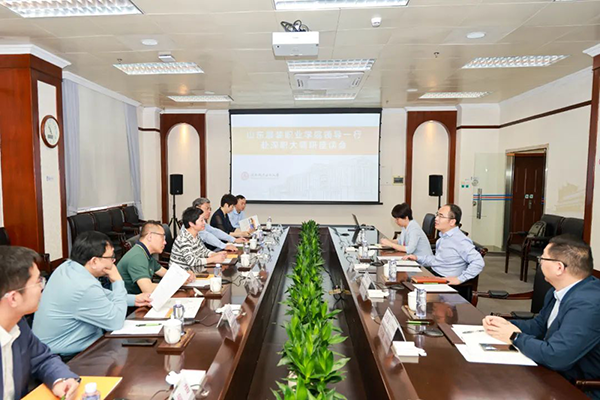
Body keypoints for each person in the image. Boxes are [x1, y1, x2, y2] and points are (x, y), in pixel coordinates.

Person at [483, 235, 600, 399]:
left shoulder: (588, 304)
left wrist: (514, 336)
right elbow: (540, 326)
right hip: (552, 373)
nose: (540, 263)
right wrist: (504, 325)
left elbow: (557, 356)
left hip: (579, 388)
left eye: (542, 258)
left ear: (559, 267)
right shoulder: (558, 291)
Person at [33, 232, 152, 357]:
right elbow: (116, 322)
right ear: (94, 261)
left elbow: (100, 295)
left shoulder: (67, 267)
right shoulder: (84, 286)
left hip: (60, 348)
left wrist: (134, 299)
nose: (113, 263)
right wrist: (117, 281)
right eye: (110, 258)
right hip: (67, 357)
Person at [0, 246, 79, 399]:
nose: (42, 288)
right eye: (38, 282)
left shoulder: (19, 324)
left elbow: (43, 358)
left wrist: (60, 380)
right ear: (13, 298)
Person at [405, 204, 484, 286]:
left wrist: (460, 279)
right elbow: (437, 260)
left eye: (441, 216)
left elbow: (478, 262)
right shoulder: (443, 237)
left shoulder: (460, 240)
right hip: (435, 274)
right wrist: (417, 258)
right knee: (406, 279)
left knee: (408, 286)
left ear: (452, 222)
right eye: (437, 215)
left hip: (445, 280)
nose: (436, 219)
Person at [117, 221, 194, 294]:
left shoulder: (145, 254)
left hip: (143, 298)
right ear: (150, 237)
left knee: (187, 294)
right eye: (162, 237)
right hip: (131, 302)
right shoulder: (137, 257)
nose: (165, 242)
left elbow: (167, 274)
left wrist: (184, 275)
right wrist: (177, 282)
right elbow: (148, 289)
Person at [170, 207, 227, 274]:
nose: (204, 223)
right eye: (201, 220)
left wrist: (214, 254)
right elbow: (192, 262)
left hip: (193, 272)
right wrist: (213, 259)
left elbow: (203, 250)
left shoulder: (195, 235)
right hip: (180, 274)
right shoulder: (183, 239)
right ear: (191, 224)